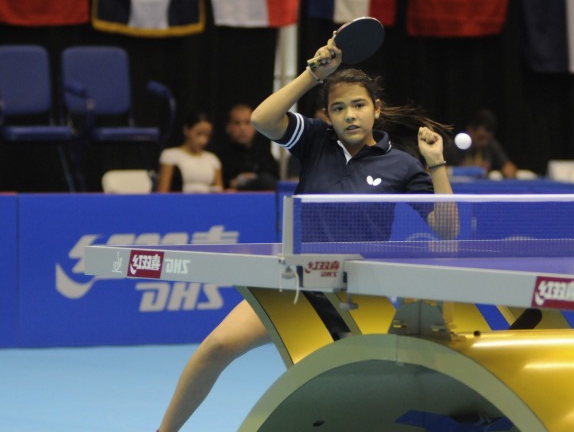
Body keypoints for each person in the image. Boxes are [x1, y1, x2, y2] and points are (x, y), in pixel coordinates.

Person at [157, 38, 457, 431]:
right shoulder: (317, 141)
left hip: (355, 295)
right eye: (338, 107)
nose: (350, 115)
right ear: (327, 116)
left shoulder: (401, 165)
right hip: (296, 283)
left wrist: (436, 164)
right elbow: (263, 120)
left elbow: (448, 231)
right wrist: (313, 73)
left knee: (344, 396)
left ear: (376, 109)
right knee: (216, 346)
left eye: (359, 105)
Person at [213, 103, 279, 191]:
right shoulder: (218, 157)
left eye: (247, 123)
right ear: (228, 127)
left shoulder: (265, 155)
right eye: (237, 123)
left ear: (255, 126)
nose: (242, 128)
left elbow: (275, 183)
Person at [156, 111, 223, 193]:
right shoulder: (170, 155)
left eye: (207, 135)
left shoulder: (212, 159)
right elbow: (163, 192)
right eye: (198, 134)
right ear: (186, 130)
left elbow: (219, 192)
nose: (203, 141)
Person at [445, 108, 517, 179]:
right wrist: (456, 171)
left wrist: (506, 172)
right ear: (470, 129)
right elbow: (437, 169)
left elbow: (509, 168)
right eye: (480, 137)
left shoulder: (491, 146)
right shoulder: (457, 145)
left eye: (486, 137)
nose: (483, 142)